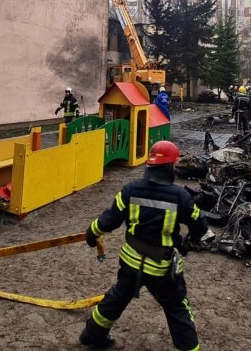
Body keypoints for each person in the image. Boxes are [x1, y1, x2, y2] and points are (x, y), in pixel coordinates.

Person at [80, 141, 209, 350]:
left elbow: (109, 219)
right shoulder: (180, 197)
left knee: (116, 298)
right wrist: (188, 243)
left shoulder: (130, 190)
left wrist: (91, 233)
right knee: (177, 309)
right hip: (162, 270)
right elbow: (201, 226)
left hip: (131, 263)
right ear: (170, 167)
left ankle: (92, 335)